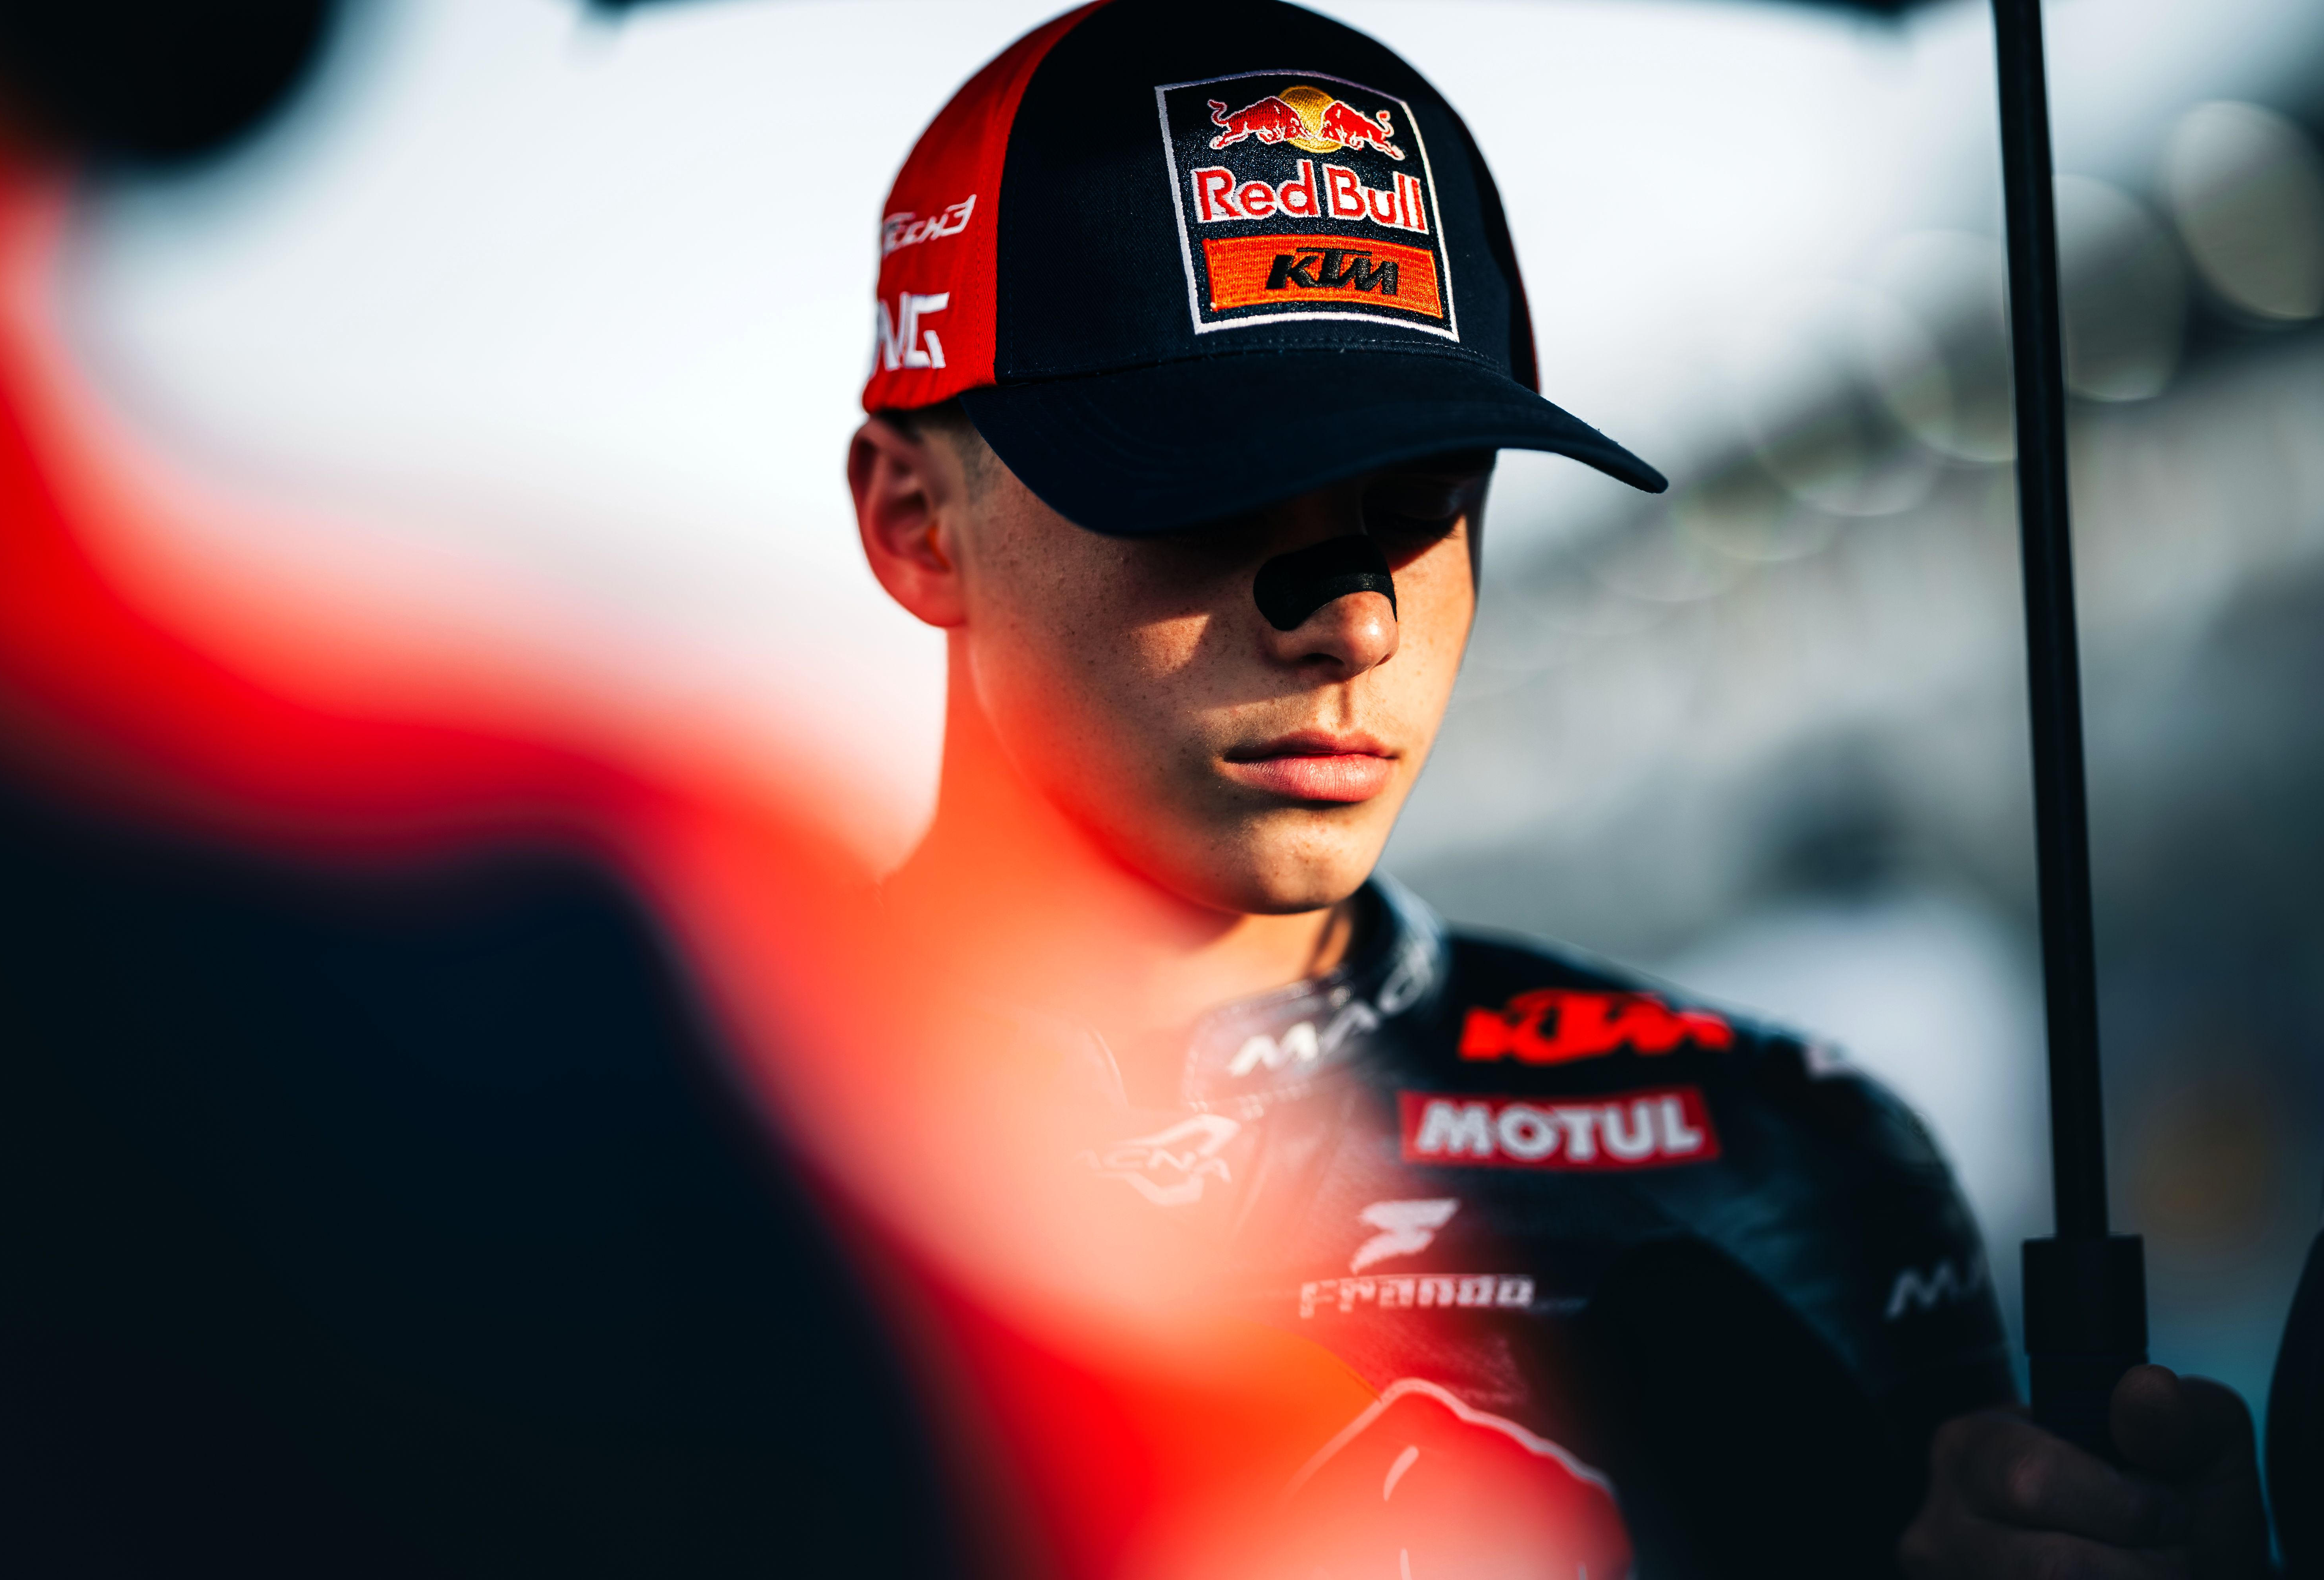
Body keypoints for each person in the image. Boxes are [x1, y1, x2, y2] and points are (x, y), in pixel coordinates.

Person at [844, 2, 2270, 1573]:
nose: (1357, 622)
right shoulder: (665, 1147)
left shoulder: (1783, 1166)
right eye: (1212, 497)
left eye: (1427, 500)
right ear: (915, 523)